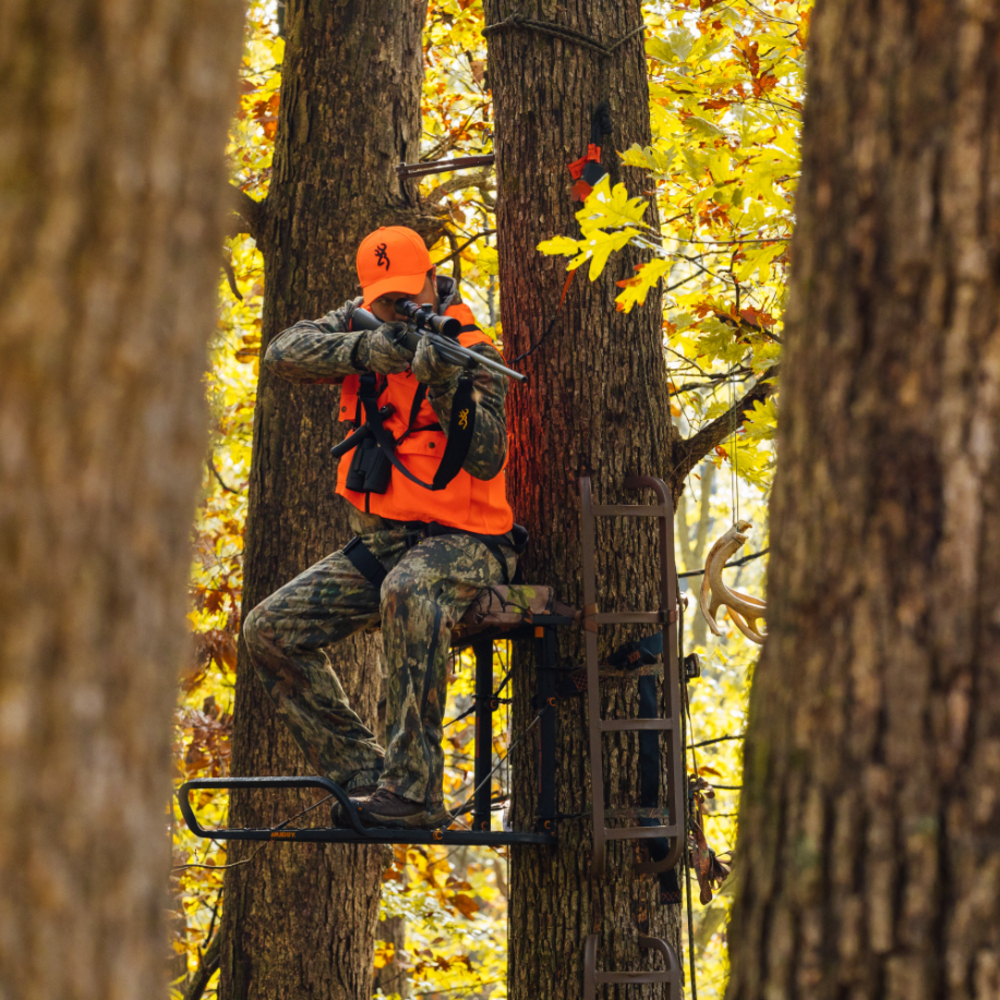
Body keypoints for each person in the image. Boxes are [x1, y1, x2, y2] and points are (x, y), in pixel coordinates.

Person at [242, 226, 517, 829]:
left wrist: (443, 384)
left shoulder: (468, 345)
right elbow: (282, 352)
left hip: (470, 543)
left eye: (405, 296)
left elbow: (489, 457)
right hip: (388, 541)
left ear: (429, 279)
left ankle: (415, 794)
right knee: (269, 630)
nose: (396, 307)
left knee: (410, 589)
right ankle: (364, 777)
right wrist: (369, 350)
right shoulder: (359, 322)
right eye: (383, 299)